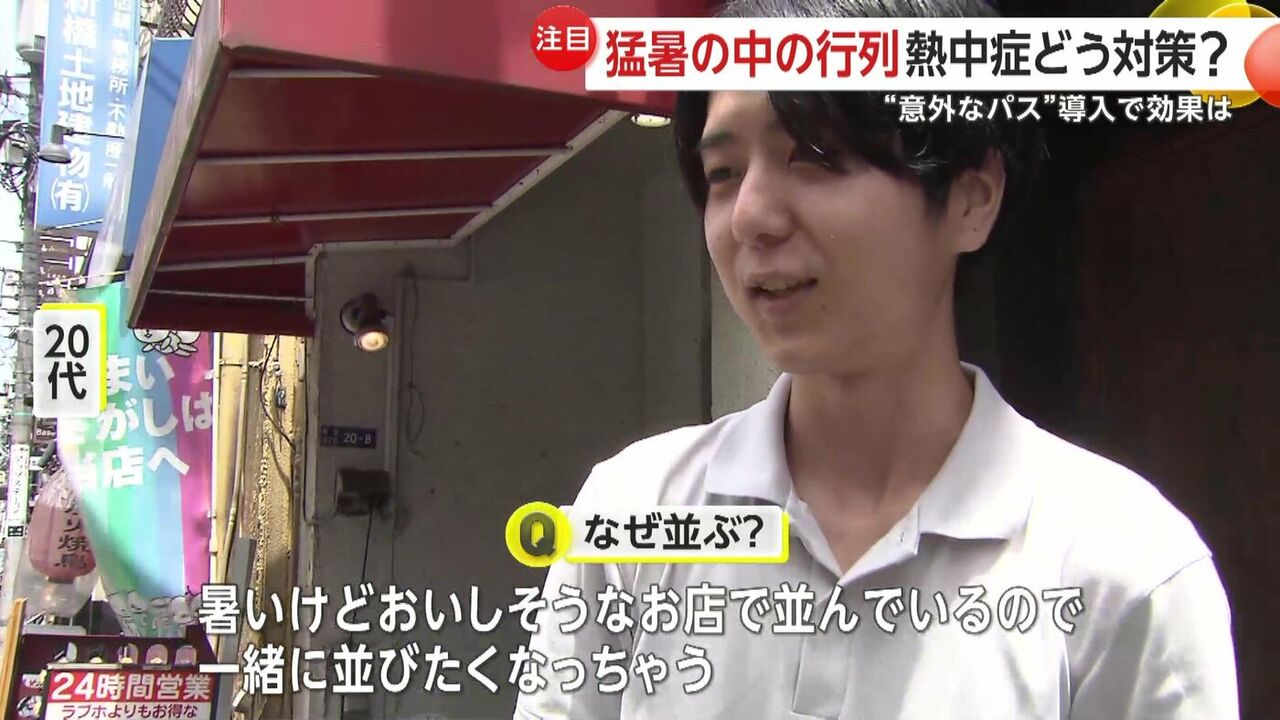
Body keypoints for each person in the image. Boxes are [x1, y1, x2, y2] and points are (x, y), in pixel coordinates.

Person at [515, 1, 1238, 718]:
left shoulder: (1123, 564)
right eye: (724, 172)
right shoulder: (632, 513)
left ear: (971, 197)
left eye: (816, 154)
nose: (750, 217)